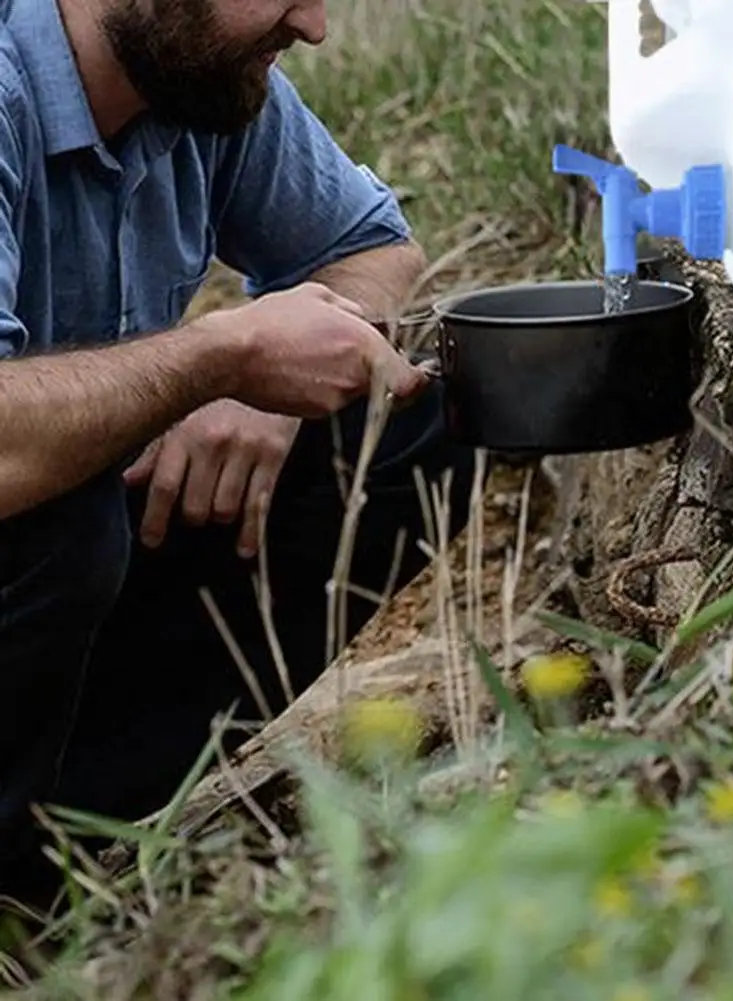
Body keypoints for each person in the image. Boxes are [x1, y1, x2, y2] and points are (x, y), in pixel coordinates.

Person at [0, 0, 475, 903]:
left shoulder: (191, 82)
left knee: (413, 425)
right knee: (60, 517)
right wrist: (219, 359)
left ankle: (58, 842)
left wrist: (266, 394)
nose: (314, 23)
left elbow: (374, 249)